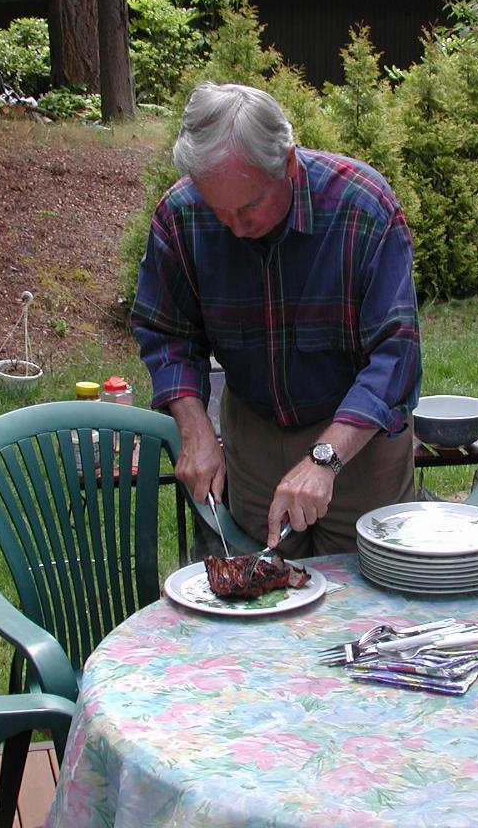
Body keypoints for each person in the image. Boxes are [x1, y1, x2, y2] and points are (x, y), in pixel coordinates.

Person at [130, 81, 421, 557]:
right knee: (262, 592)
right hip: (255, 436)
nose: (235, 227)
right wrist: (194, 427)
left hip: (358, 437)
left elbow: (396, 354)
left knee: (367, 598)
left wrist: (325, 458)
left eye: (247, 207)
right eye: (217, 209)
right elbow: (167, 331)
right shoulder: (181, 214)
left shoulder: (362, 207)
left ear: (287, 163)